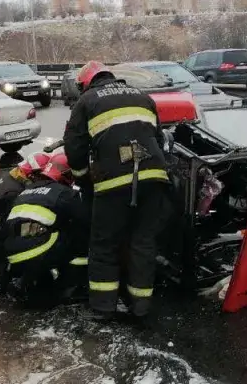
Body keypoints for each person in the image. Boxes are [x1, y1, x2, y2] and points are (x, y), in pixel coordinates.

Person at [63, 60, 170, 319]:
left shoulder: (87, 101)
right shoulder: (142, 96)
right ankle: (141, 306)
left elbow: (74, 147)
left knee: (104, 244)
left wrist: (83, 178)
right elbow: (158, 138)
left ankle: (103, 308)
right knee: (143, 243)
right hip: (154, 178)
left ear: (86, 83)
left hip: (114, 183)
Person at [0, 152, 89, 308]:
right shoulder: (65, 193)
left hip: (12, 254)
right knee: (79, 235)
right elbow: (85, 220)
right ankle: (72, 286)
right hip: (38, 252)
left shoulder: (26, 191)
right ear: (67, 175)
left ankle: (30, 280)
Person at [0, 151, 50, 294]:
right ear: (32, 174)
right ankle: (5, 287)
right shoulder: (14, 192)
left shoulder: (12, 177)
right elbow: (13, 223)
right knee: (8, 260)